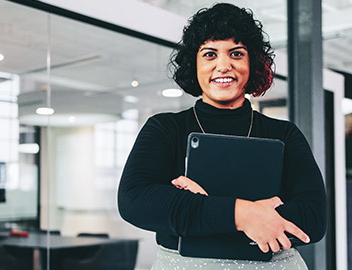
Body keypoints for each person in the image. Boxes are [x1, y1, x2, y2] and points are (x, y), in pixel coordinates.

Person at [118, 3, 326, 269]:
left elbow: (312, 218)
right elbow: (134, 201)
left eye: (236, 54)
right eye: (209, 54)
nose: (223, 65)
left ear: (252, 63)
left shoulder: (284, 134)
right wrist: (244, 215)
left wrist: (195, 206)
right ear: (194, 64)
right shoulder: (165, 129)